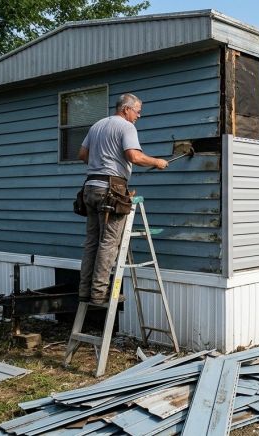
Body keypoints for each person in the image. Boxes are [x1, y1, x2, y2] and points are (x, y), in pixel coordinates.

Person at [77, 93, 169, 305]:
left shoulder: (97, 125)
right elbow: (134, 157)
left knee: (92, 240)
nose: (138, 116)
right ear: (126, 109)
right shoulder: (126, 127)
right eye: (137, 111)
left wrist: (101, 163)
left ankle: (85, 291)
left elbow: (83, 155)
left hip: (90, 188)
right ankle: (99, 293)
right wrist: (157, 162)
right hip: (111, 189)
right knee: (109, 242)